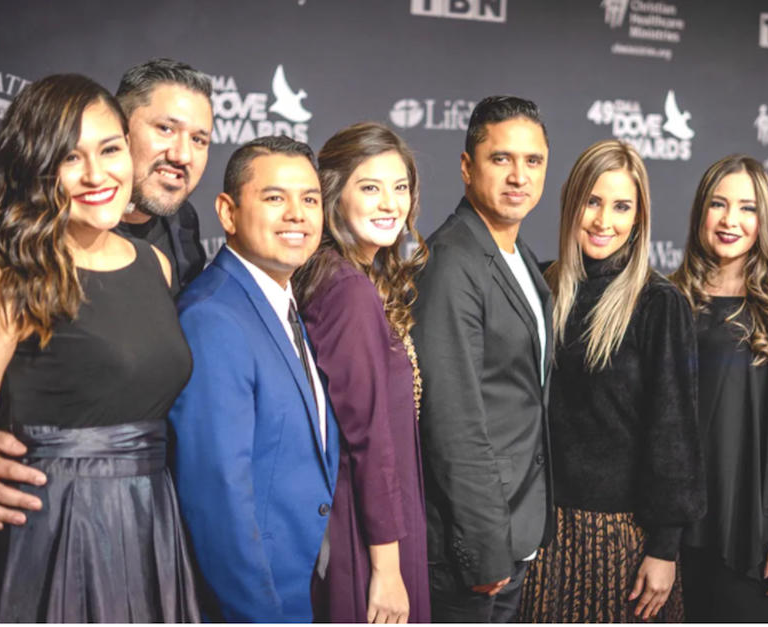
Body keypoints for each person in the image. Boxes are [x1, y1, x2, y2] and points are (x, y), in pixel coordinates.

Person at [0, 74, 198, 621]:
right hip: (54, 527)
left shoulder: (152, 263)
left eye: (109, 149)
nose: (95, 174)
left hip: (153, 518)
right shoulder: (13, 275)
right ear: (38, 169)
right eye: (69, 158)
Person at [519, 139, 705, 622]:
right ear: (570, 202)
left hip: (620, 538)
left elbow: (675, 434)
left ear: (640, 216)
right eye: (593, 202)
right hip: (541, 532)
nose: (604, 221)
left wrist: (665, 548)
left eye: (622, 206)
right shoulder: (542, 285)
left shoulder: (659, 303)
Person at [168, 136, 339, 622]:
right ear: (227, 212)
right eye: (274, 197)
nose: (297, 214)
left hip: (304, 586)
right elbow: (218, 496)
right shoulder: (214, 317)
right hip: (255, 602)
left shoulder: (277, 298)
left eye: (309, 199)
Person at [670, 154, 768, 621]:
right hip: (675, 533)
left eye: (746, 208)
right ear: (701, 212)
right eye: (718, 205)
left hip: (755, 533)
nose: (730, 220)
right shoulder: (670, 300)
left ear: (764, 220)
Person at [411, 95, 553, 623]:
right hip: (472, 552)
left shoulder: (516, 256)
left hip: (515, 529)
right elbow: (453, 421)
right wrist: (486, 546)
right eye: (501, 159)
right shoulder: (454, 262)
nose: (519, 176)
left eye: (533, 161)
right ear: (468, 167)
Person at [293, 122, 429, 623]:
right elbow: (369, 438)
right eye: (370, 188)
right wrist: (388, 570)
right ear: (333, 196)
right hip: (366, 534)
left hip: (377, 519)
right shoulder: (347, 288)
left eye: (400, 188)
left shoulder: (355, 277)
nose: (390, 204)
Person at [114, 57, 212, 293]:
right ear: (119, 127)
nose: (182, 156)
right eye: (166, 129)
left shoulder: (184, 219)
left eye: (198, 140)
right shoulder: (60, 231)